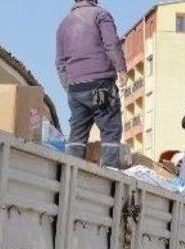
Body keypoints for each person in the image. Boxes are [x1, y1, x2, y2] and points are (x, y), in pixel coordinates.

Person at [55, 0, 126, 168]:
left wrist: (69, 87)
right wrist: (121, 68)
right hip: (100, 83)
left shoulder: (64, 24)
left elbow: (59, 62)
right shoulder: (101, 14)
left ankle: (72, 170)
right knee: (110, 128)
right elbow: (111, 44)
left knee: (77, 133)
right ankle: (109, 172)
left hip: (76, 86)